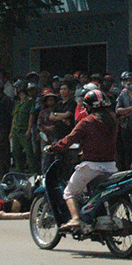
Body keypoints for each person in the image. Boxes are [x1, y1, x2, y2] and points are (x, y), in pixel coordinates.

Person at [46, 89, 118, 231]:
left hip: (91, 167)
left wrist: (53, 147)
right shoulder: (113, 121)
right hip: (110, 167)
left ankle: (75, 219)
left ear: (89, 107)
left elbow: (68, 140)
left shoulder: (87, 122)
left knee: (69, 192)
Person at [11, 82, 38, 173]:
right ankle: (19, 173)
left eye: (15, 88)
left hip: (24, 130)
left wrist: (29, 130)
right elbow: (14, 117)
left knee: (29, 153)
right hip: (16, 130)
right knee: (16, 153)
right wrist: (11, 131)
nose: (14, 91)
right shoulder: (17, 102)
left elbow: (31, 116)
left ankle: (34, 173)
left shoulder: (30, 101)